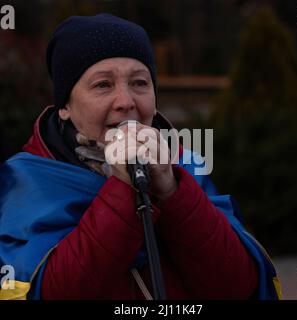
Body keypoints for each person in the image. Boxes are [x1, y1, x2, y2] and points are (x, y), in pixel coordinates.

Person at [0, 13, 282, 300]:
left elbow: (238, 286)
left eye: (139, 83)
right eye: (103, 85)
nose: (126, 102)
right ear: (65, 107)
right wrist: (125, 187)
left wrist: (172, 191)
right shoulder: (29, 180)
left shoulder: (184, 167)